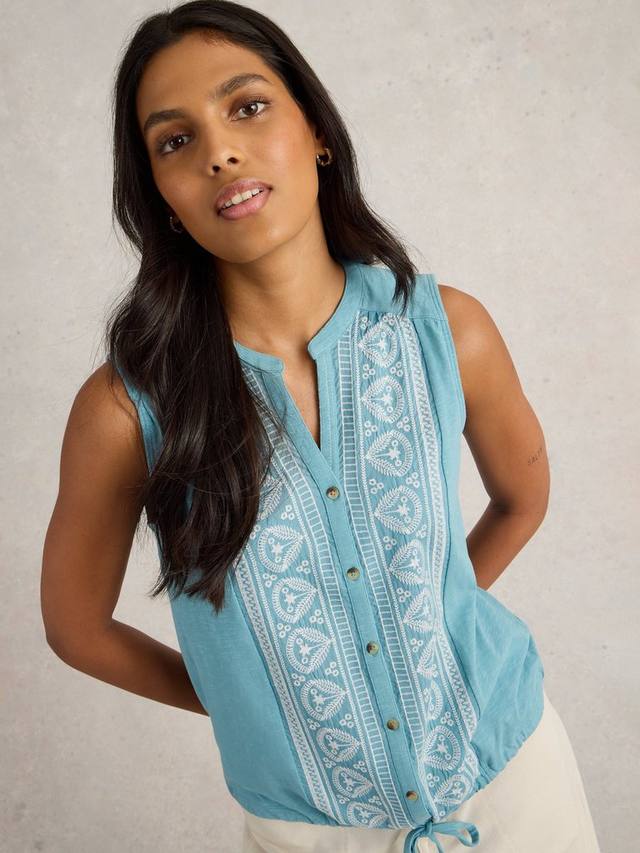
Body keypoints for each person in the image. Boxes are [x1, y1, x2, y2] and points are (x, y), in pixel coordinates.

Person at [40, 2, 601, 851]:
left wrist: (419, 630)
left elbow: (523, 499)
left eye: (247, 106)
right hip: (310, 832)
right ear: (160, 193)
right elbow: (76, 628)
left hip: (517, 782)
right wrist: (253, 698)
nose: (219, 151)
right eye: (176, 140)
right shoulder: (126, 409)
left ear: (316, 131)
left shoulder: (447, 330)